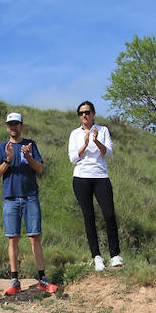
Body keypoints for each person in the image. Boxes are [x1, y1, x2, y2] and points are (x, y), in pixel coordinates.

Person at [0, 112, 58, 295]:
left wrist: (28, 157)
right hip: (10, 198)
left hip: (30, 197)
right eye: (10, 124)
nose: (13, 127)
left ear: (21, 126)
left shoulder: (30, 144)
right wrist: (8, 159)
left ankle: (42, 279)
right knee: (13, 239)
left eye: (16, 124)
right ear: (7, 127)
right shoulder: (2, 147)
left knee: (34, 237)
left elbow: (40, 169)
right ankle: (15, 280)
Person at [67, 101, 123, 271]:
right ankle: (97, 256)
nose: (84, 115)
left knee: (109, 214)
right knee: (88, 217)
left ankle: (115, 255)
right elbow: (72, 158)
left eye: (87, 112)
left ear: (93, 113)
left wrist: (96, 140)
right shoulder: (75, 134)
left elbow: (109, 153)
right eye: (81, 113)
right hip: (81, 178)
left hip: (100, 176)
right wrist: (84, 143)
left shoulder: (103, 130)